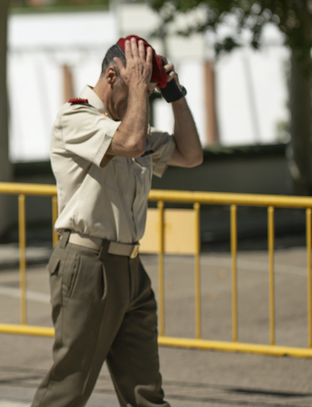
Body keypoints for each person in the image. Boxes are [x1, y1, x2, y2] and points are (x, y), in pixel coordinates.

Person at [32, 36, 203, 407]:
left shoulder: (130, 125)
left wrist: (173, 94)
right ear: (112, 75)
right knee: (69, 388)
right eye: (135, 84)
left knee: (146, 392)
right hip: (87, 265)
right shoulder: (75, 117)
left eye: (147, 89)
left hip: (129, 267)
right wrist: (142, 86)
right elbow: (129, 144)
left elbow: (191, 155)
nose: (142, 97)